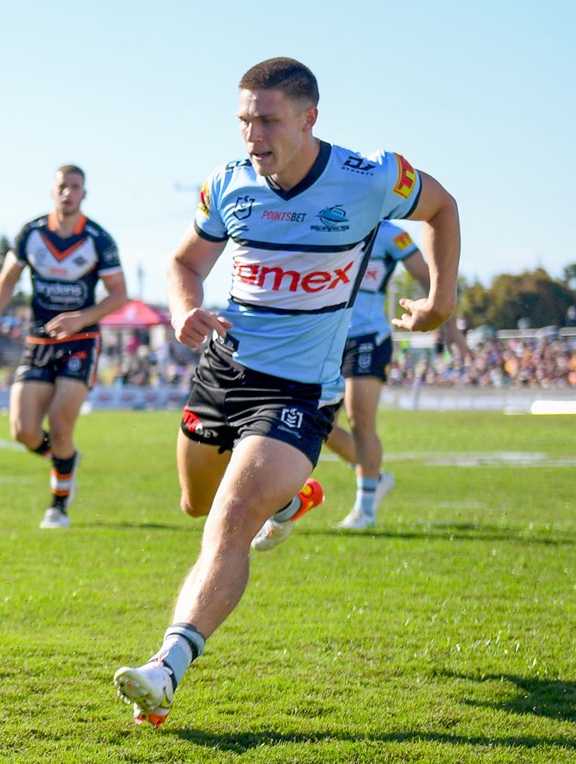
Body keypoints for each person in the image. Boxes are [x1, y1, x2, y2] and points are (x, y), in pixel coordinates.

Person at [111, 57, 459, 727]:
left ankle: (166, 668)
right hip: (223, 373)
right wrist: (186, 305)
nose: (253, 134)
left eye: (268, 119)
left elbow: (441, 208)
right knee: (197, 505)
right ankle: (294, 494)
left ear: (309, 118)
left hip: (300, 390)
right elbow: (185, 261)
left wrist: (440, 298)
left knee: (234, 518)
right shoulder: (227, 185)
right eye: (244, 120)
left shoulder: (371, 177)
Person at [0, 165, 127, 528]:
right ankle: (64, 460)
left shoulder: (99, 239)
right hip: (39, 340)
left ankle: (58, 507)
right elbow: (6, 280)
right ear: (52, 191)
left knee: (61, 424)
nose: (68, 193)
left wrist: (80, 318)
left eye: (75, 187)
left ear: (83, 194)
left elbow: (119, 295)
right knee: (23, 430)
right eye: (62, 186)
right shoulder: (31, 233)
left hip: (81, 341)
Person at [322, 220, 430, 529]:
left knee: (360, 422)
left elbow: (425, 275)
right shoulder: (330, 221)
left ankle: (365, 510)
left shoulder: (393, 235)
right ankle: (374, 474)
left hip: (369, 337)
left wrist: (441, 318)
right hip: (328, 337)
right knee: (317, 421)